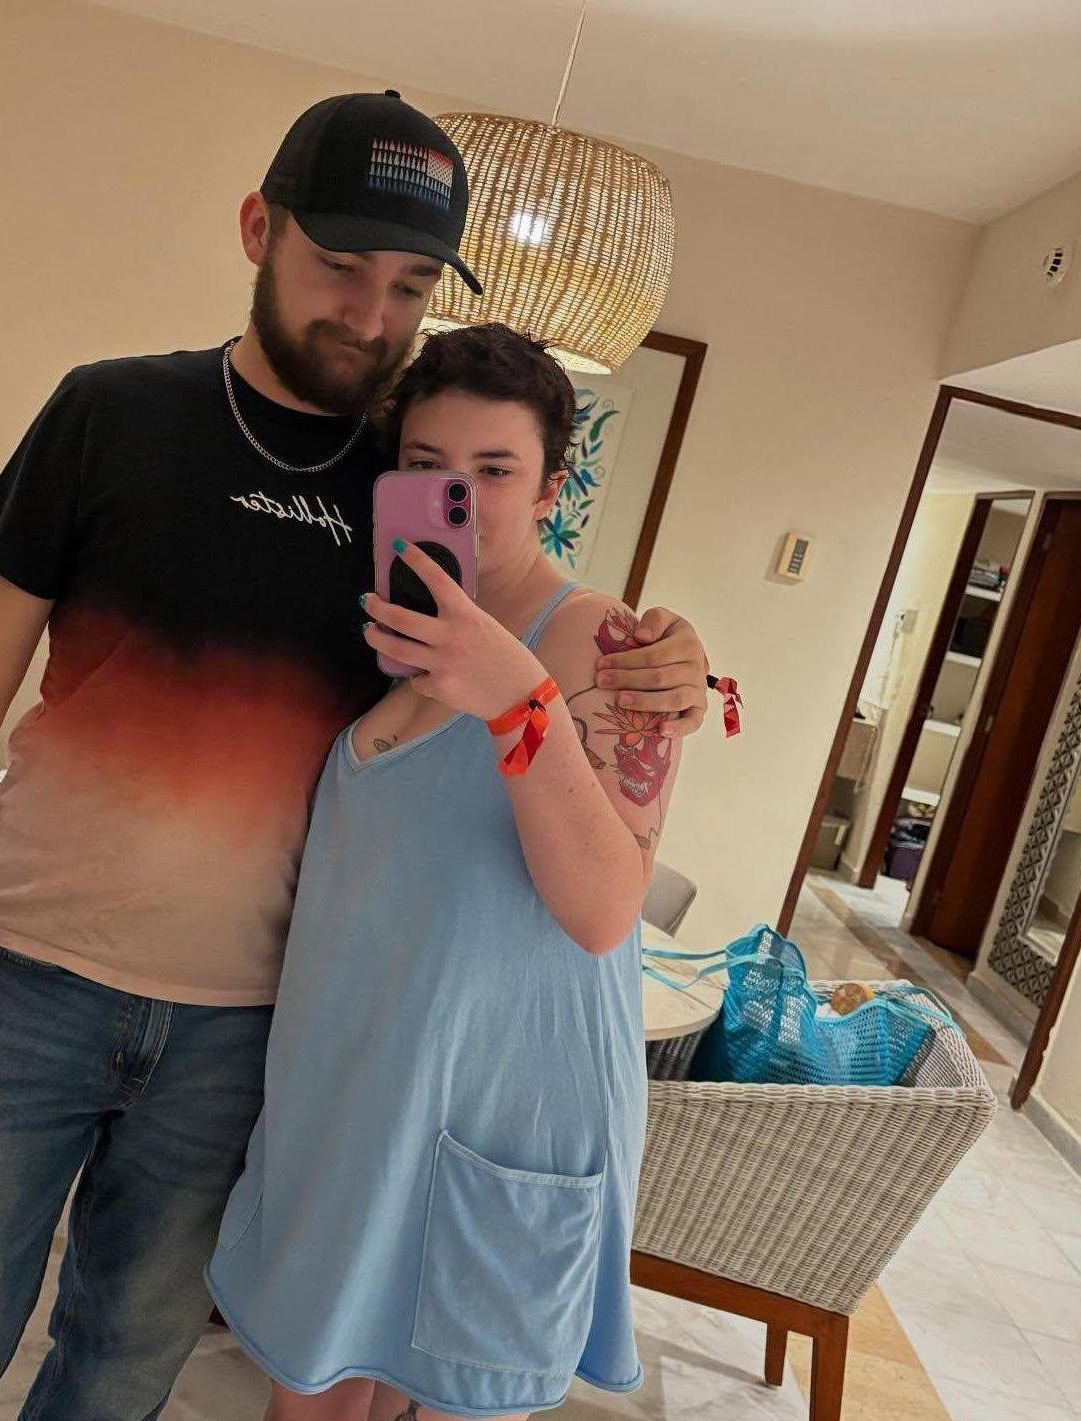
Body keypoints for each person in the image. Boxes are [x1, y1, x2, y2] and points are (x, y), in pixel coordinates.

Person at [0, 92, 709, 1420]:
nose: (368, 311)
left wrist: (671, 663)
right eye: (338, 264)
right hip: (25, 974)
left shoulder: (409, 491)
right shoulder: (110, 411)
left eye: (408, 284)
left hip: (247, 1027)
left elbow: (531, 621)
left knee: (124, 1370)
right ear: (258, 229)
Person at [206, 323, 674, 1421]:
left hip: (500, 1102)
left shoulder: (603, 645)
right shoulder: (388, 628)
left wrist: (517, 698)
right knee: (313, 1391)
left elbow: (604, 907)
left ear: (551, 488)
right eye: (427, 465)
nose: (458, 495)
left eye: (494, 470)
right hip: (355, 1090)